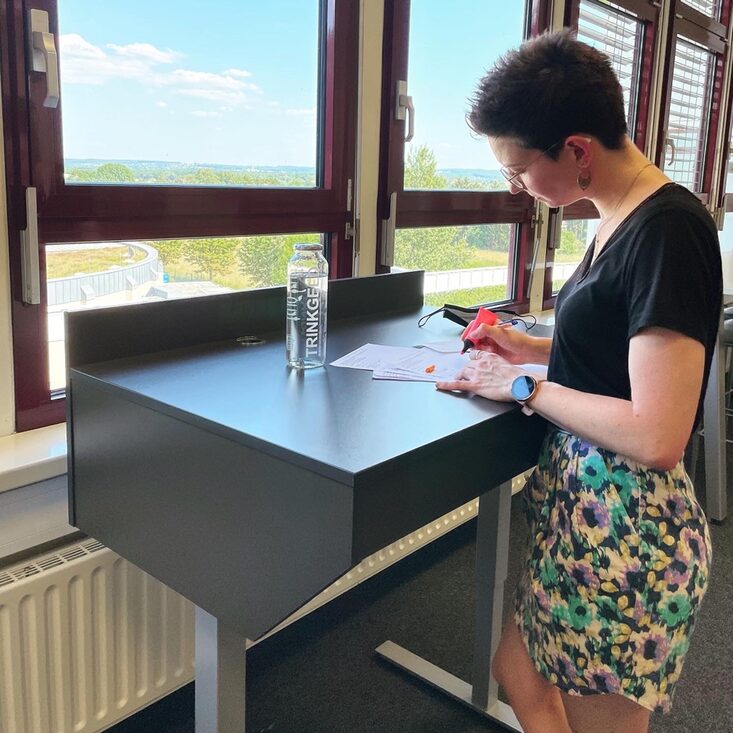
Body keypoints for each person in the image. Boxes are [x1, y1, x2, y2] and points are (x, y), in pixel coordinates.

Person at [435, 29, 722, 733]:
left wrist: (523, 387)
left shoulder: (668, 230)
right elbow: (612, 347)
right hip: (582, 507)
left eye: (517, 168)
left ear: (576, 150)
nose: (514, 186)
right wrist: (526, 345)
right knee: (516, 670)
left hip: (627, 529)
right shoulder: (613, 217)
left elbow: (656, 434)